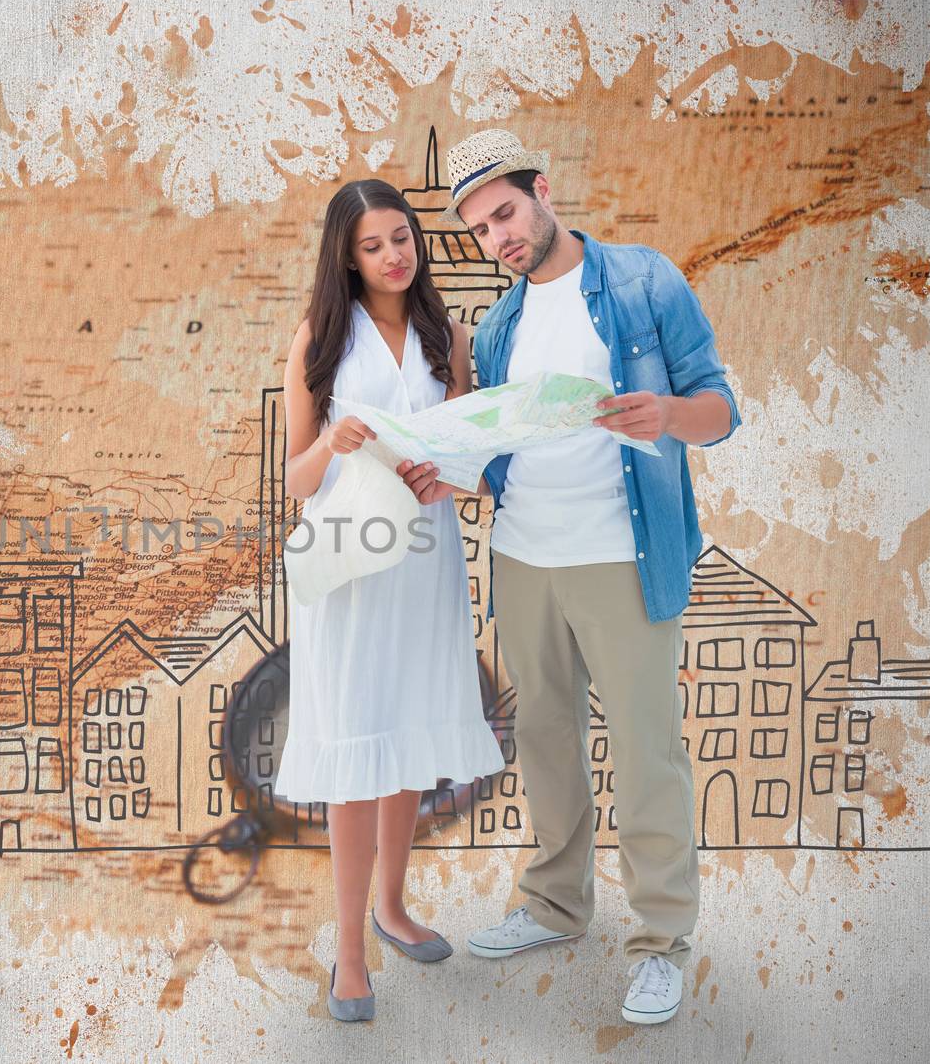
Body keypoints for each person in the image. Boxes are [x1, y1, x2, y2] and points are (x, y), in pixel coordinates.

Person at [400, 128, 741, 1026]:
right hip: (524, 555)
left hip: (620, 556)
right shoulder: (503, 322)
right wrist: (450, 471)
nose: (500, 238)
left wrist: (666, 412)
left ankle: (661, 939)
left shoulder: (642, 281)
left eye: (506, 213)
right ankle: (555, 903)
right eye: (480, 231)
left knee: (646, 749)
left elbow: (720, 410)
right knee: (546, 740)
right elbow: (500, 440)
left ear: (543, 190)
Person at [273, 178, 507, 1023]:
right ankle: (347, 951)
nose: (393, 255)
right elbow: (296, 480)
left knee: (407, 734)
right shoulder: (317, 341)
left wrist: (442, 473)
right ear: (346, 254)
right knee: (355, 744)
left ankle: (394, 905)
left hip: (424, 559)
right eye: (373, 245)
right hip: (350, 568)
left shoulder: (449, 336)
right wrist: (333, 441)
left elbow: (466, 457)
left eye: (402, 238)